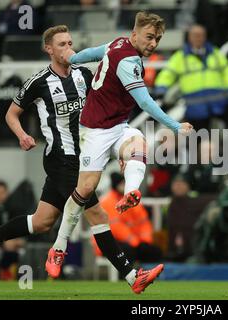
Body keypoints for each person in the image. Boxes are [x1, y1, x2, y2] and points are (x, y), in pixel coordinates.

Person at [0, 25, 157, 294]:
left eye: (70, 43)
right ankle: (132, 276)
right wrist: (22, 135)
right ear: (49, 49)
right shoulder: (38, 82)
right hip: (60, 158)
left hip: (85, 154)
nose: (69, 48)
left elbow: (106, 115)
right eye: (62, 44)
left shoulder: (85, 75)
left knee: (41, 221)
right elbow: (11, 114)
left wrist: (120, 147)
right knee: (98, 214)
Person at [52, 11, 192, 292]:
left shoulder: (118, 44)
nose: (153, 43)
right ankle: (58, 246)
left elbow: (94, 51)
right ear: (136, 33)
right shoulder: (129, 61)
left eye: (158, 38)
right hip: (94, 131)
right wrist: (175, 126)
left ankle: (131, 191)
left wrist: (73, 58)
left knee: (138, 144)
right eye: (150, 37)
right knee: (85, 190)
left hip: (118, 125)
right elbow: (146, 102)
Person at [154, 24, 228, 130]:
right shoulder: (180, 57)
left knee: (225, 138)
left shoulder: (216, 54)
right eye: (195, 35)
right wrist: (161, 89)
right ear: (189, 37)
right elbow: (167, 74)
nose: (198, 38)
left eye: (201, 35)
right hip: (195, 108)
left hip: (219, 105)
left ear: (205, 36)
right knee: (197, 141)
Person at [92, 173, 162, 263]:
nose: (125, 186)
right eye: (122, 183)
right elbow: (116, 228)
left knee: (154, 252)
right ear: (116, 185)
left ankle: (146, 275)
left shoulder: (132, 199)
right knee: (127, 252)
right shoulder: (107, 202)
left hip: (132, 242)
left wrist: (145, 241)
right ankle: (127, 276)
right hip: (109, 243)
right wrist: (135, 242)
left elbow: (144, 222)